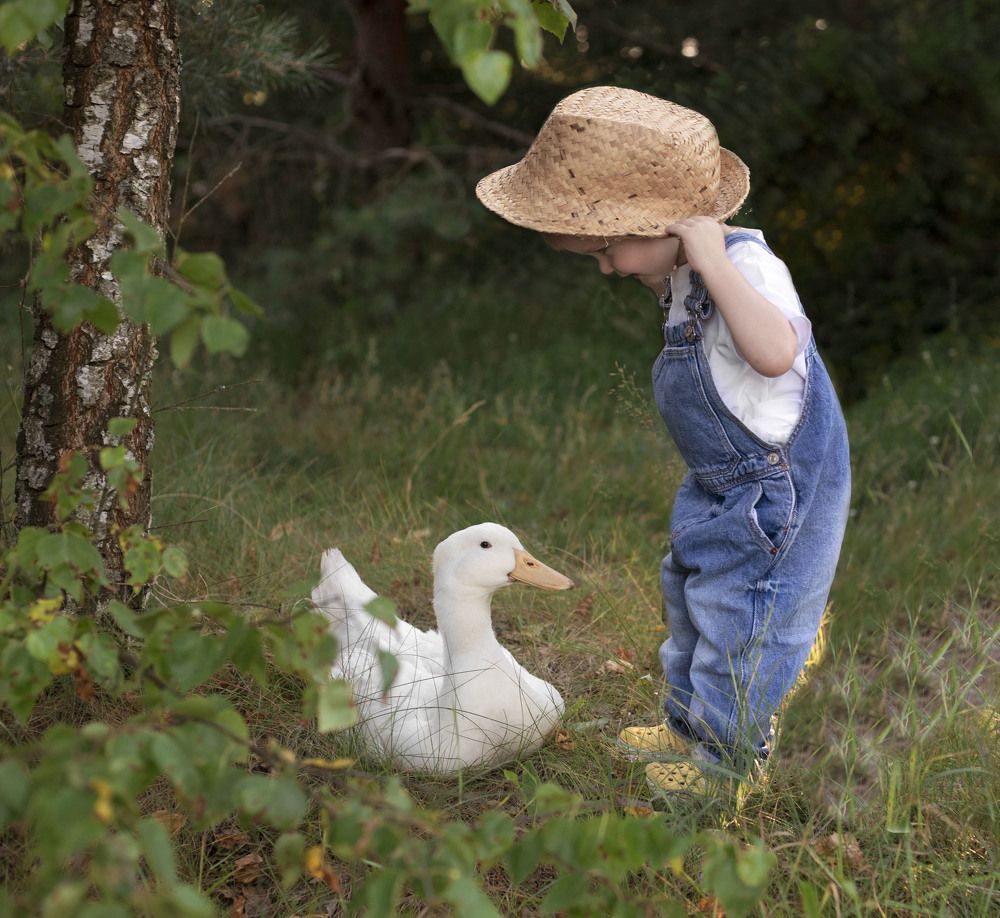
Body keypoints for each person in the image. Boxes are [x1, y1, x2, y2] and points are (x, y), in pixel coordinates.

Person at [476, 86, 851, 795]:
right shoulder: (680, 274)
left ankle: (727, 765)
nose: (609, 268)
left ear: (670, 223)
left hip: (774, 486)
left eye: (608, 249)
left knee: (742, 618)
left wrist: (711, 263)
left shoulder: (744, 268)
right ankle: (688, 723)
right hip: (725, 478)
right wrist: (679, 270)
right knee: (687, 595)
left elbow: (774, 353)